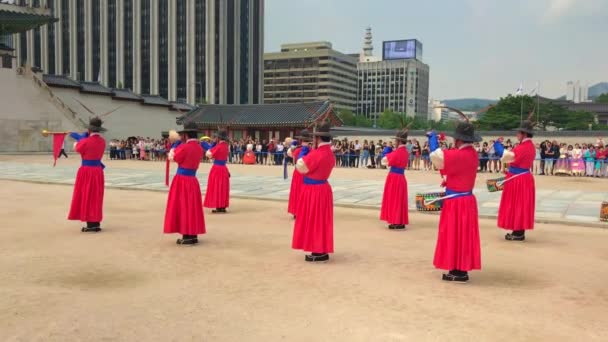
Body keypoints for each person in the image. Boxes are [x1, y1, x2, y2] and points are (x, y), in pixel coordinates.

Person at [429, 118, 481, 282]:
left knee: (453, 234)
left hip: (456, 202)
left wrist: (432, 139)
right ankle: (460, 269)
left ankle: (457, 271)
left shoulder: (458, 154)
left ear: (458, 139)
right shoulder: (472, 153)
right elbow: (453, 169)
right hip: (466, 200)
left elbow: (436, 157)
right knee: (463, 235)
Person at [292, 122, 336, 262]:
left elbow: (301, 167)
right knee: (321, 221)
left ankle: (318, 251)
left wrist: (301, 156)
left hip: (314, 191)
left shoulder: (317, 154)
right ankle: (321, 248)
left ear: (318, 139)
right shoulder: (329, 153)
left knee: (314, 220)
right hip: (323, 189)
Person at [163, 123, 206, 245]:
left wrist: (172, 148)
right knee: (192, 207)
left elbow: (173, 158)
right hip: (192, 179)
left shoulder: (184, 147)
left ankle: (186, 235)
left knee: (183, 207)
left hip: (182, 180)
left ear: (186, 135)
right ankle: (193, 234)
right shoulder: (198, 148)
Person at [497, 116, 536, 241]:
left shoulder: (522, 147)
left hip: (519, 179)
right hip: (522, 177)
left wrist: (497, 145)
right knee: (521, 204)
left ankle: (518, 232)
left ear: (524, 134)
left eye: (518, 132)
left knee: (517, 204)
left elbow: (507, 156)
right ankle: (518, 230)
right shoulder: (529, 146)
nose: (516, 134)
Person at [68, 117, 107, 233]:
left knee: (87, 195)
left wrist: (80, 139)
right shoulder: (102, 141)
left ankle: (90, 224)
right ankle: (95, 222)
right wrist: (83, 139)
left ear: (89, 129)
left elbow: (76, 148)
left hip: (86, 171)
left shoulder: (85, 141)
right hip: (98, 171)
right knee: (96, 196)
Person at [380, 128, 410, 230]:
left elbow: (384, 161)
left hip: (394, 178)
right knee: (400, 199)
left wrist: (387, 149)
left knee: (394, 199)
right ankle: (400, 221)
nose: (394, 142)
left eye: (396, 141)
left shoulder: (397, 152)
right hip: (401, 177)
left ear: (399, 141)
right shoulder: (405, 152)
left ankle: (395, 221)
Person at [204, 129, 230, 213]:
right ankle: (222, 206)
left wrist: (211, 146)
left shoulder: (218, 146)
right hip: (223, 168)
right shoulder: (226, 146)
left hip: (217, 168)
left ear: (219, 137)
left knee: (217, 186)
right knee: (223, 187)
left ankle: (218, 205)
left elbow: (209, 154)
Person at [287, 130, 312, 219]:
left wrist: (292, 147)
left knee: (297, 191)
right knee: (306, 192)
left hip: (298, 172)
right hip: (307, 173)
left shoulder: (297, 150)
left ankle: (296, 212)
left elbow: (292, 158)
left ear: (301, 140)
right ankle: (306, 211)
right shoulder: (311, 150)